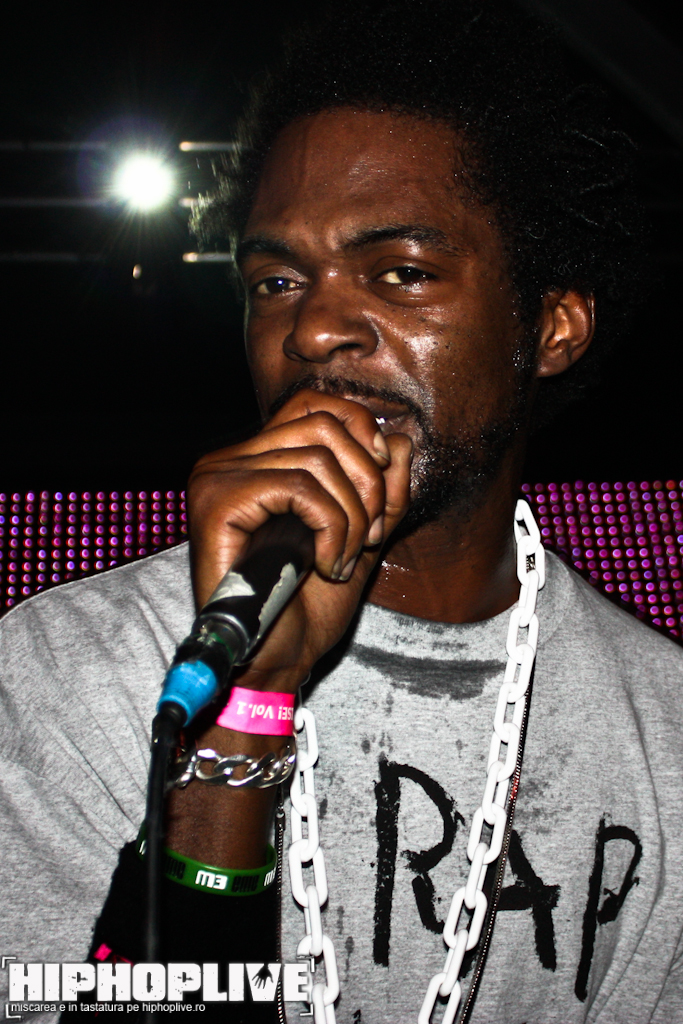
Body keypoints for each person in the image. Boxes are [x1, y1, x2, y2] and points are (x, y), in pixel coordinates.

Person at [2, 2, 682, 1022]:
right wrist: (248, 707)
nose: (313, 328)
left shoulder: (663, 729)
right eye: (276, 279)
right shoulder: (65, 669)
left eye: (401, 272)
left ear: (550, 327)